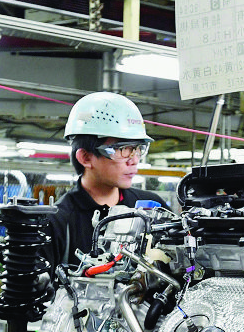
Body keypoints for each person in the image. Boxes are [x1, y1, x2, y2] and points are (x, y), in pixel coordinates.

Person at [47, 92, 166, 268]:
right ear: (86, 157)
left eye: (138, 148)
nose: (133, 159)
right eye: (123, 149)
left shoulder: (152, 208)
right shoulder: (57, 222)